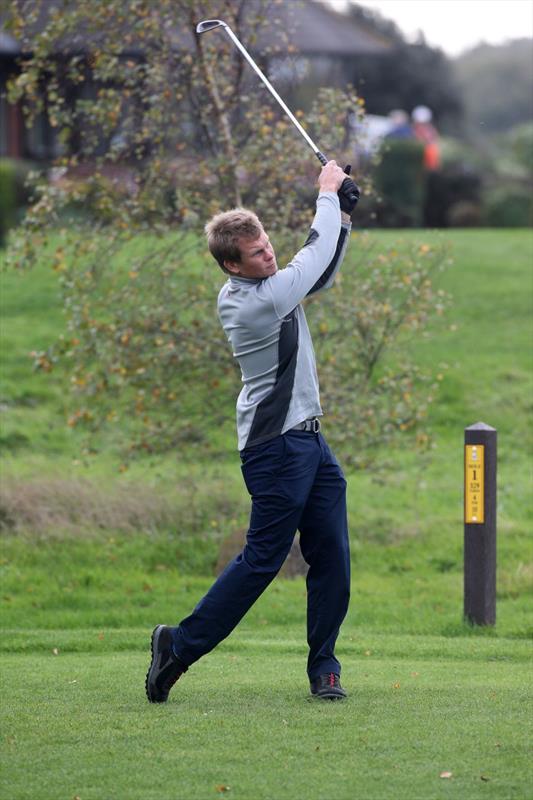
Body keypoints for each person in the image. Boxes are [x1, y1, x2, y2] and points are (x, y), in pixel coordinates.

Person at [145, 160, 359, 703]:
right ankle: (179, 645)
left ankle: (324, 666)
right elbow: (312, 260)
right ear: (230, 266)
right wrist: (328, 193)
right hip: (277, 449)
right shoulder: (258, 301)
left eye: (267, 244)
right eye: (257, 253)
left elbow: (322, 273)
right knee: (263, 559)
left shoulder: (271, 285)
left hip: (309, 441)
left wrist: (345, 217)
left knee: (331, 551)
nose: (268, 253)